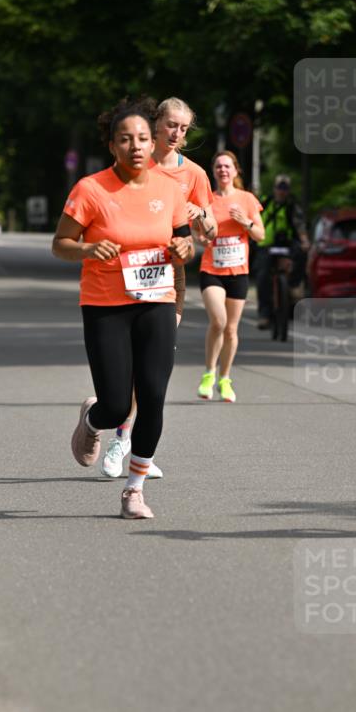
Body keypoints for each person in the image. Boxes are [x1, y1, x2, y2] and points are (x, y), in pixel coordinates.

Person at [52, 97, 193, 519]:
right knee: (116, 404)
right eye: (126, 139)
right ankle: (92, 421)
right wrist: (88, 249)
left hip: (157, 300)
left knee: (152, 396)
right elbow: (60, 244)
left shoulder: (168, 189)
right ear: (112, 145)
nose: (136, 146)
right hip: (105, 304)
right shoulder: (90, 190)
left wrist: (184, 248)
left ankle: (134, 490)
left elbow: (184, 239)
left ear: (153, 143)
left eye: (143, 138)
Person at [101, 95, 217, 480]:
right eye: (171, 125)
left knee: (155, 364)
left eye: (183, 128)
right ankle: (121, 429)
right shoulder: (135, 162)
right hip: (129, 268)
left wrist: (201, 215)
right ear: (156, 124)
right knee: (134, 362)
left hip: (170, 271)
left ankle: (133, 442)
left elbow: (211, 229)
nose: (177, 133)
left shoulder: (194, 174)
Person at [197, 151, 264, 402]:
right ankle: (209, 374)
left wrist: (245, 222)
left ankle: (225, 379)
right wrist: (201, 238)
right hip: (212, 270)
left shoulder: (247, 199)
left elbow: (260, 235)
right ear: (213, 171)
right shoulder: (207, 201)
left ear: (236, 171)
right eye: (218, 166)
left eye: (227, 166)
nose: (223, 170)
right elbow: (196, 231)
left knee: (231, 330)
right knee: (219, 321)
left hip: (238, 272)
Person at [254, 174, 310, 329]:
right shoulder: (266, 202)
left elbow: (300, 226)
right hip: (266, 244)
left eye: (285, 188)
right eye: (280, 187)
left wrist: (304, 241)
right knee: (263, 275)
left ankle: (293, 290)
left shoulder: (293, 206)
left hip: (287, 244)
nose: (282, 191)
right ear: (275, 188)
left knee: (300, 256)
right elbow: (254, 218)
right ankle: (265, 314)